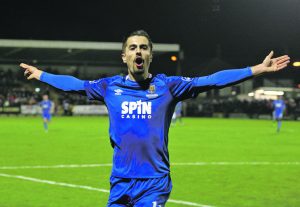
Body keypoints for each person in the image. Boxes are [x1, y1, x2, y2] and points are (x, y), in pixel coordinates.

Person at [20, 30, 290, 207]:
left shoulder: (168, 86)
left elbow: (211, 80)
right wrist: (42, 75)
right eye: (133, 48)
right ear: (124, 56)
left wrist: (255, 69)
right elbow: (74, 84)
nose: (138, 52)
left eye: (144, 48)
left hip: (153, 183)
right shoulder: (108, 87)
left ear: (150, 55)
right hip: (120, 181)